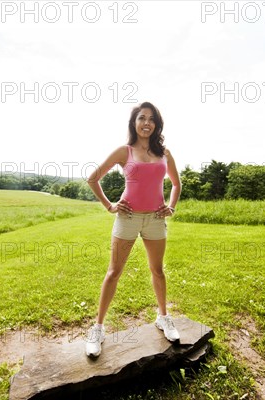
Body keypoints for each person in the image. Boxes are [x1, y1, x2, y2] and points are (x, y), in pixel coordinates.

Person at [84, 101, 182, 357]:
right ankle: (98, 328)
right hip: (127, 218)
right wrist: (109, 205)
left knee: (158, 271)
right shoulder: (123, 151)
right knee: (114, 272)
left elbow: (175, 184)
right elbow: (93, 178)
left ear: (157, 124)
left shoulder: (165, 153)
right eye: (141, 118)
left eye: (151, 119)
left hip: (155, 220)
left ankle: (163, 317)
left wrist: (170, 207)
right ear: (134, 122)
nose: (146, 123)